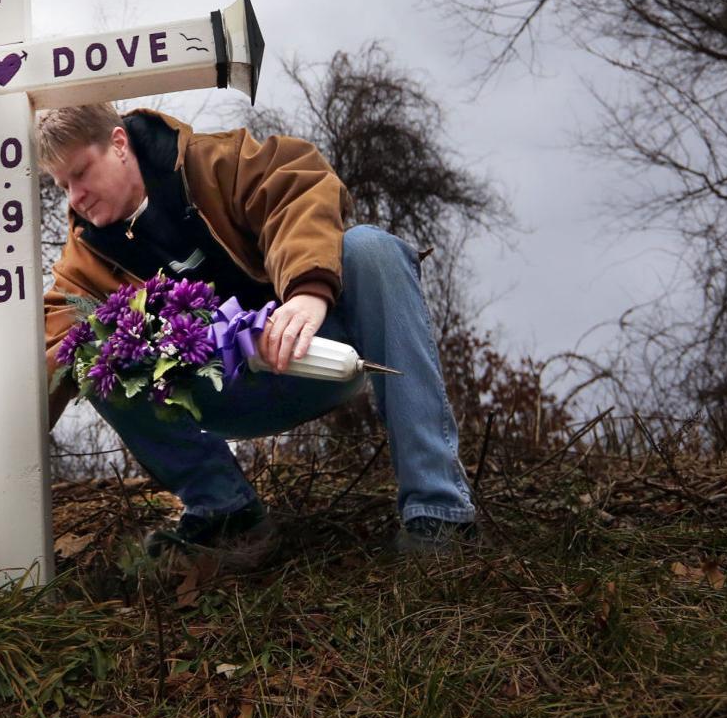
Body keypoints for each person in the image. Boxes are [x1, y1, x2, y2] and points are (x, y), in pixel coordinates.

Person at [39, 102, 476, 564]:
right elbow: (51, 351)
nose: (75, 197)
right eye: (63, 185)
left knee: (371, 249)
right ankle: (227, 514)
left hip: (319, 350)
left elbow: (297, 188)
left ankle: (439, 511)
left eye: (81, 173)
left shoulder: (213, 163)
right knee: (93, 350)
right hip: (225, 392)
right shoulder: (82, 264)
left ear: (119, 143)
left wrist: (307, 291)